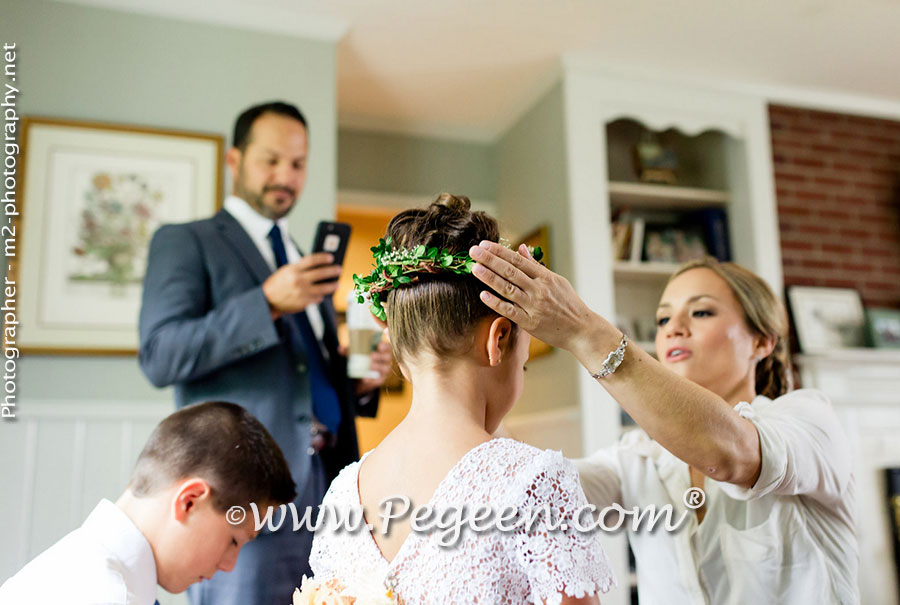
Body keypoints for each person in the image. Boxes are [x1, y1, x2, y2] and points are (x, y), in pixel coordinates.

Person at [469, 245, 859, 605]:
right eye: (663, 318)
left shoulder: (809, 421)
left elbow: (730, 455)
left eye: (701, 311)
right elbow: (536, 487)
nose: (674, 327)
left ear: (763, 342)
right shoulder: (636, 458)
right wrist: (472, 376)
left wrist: (582, 329)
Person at [137, 101, 392, 605]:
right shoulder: (187, 241)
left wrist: (355, 382)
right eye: (270, 160)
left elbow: (303, 369)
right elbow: (161, 354)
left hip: (330, 485)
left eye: (297, 164)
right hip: (243, 489)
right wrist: (267, 303)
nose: (285, 176)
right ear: (234, 161)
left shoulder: (302, 254)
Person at [308, 194, 615, 604]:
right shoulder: (535, 482)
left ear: (399, 347)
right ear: (499, 339)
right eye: (521, 364)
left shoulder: (344, 492)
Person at [0, 401, 296, 605]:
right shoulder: (106, 594)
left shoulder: (80, 567)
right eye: (234, 540)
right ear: (190, 501)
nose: (230, 566)